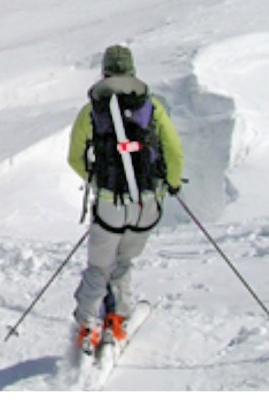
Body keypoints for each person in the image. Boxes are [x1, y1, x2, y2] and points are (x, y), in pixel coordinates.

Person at [66, 45, 184, 352]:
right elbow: (174, 150)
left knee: (99, 267)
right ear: (132, 71)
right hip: (146, 203)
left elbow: (74, 157)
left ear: (104, 72)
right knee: (123, 262)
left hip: (109, 203)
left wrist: (97, 180)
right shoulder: (151, 106)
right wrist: (170, 183)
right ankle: (116, 321)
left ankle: (88, 327)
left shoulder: (91, 110)